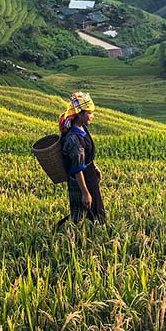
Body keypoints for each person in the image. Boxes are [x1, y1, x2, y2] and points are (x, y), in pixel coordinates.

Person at [56, 92, 107, 230]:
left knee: (95, 211)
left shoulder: (83, 128)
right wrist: (85, 192)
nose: (92, 116)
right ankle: (64, 232)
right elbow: (77, 168)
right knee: (83, 211)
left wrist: (94, 167)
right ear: (80, 114)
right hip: (81, 179)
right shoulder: (73, 139)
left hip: (89, 174)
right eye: (89, 113)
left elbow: (86, 155)